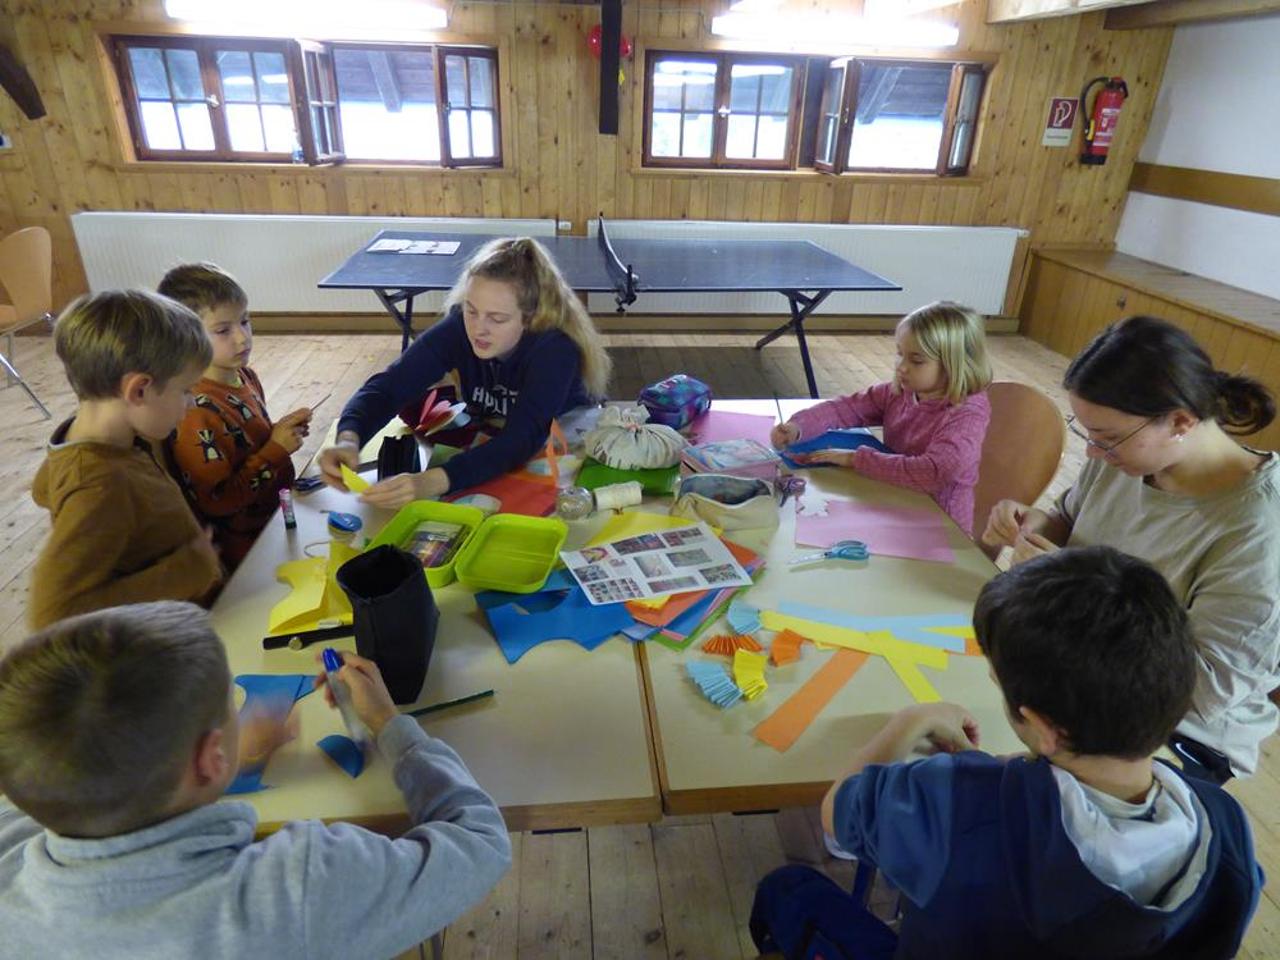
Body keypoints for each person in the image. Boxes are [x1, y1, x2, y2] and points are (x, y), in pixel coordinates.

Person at [750, 547, 1263, 960]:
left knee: (787, 890)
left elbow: (836, 813)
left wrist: (908, 721)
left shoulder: (957, 801)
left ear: (1043, 729)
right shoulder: (1226, 825)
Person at [0, 602, 512, 959]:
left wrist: (200, 761)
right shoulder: (297, 890)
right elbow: (481, 844)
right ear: (210, 757)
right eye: (233, 702)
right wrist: (389, 723)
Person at [982, 315, 1279, 781]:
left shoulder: (1258, 527)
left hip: (1172, 734)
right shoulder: (1126, 458)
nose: (1093, 453)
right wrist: (1033, 524)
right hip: (1076, 671)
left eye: (1106, 439)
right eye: (1088, 435)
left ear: (1180, 421)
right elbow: (1068, 522)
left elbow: (1204, 689)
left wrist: (1072, 595)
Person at [317, 237, 612, 507]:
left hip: (565, 440)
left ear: (530, 318)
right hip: (499, 436)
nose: (478, 329)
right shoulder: (460, 327)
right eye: (471, 310)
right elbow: (388, 388)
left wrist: (430, 482)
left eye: (497, 318)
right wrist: (348, 439)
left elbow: (522, 438)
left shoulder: (555, 349)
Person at [28, 290, 222, 630]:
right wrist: (189, 570)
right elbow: (53, 616)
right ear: (139, 391)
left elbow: (45, 487)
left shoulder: (96, 437)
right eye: (186, 390)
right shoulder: (99, 483)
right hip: (171, 637)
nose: (191, 403)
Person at [770, 301, 993, 532]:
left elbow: (933, 472)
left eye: (916, 360)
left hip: (940, 527)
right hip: (895, 502)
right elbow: (845, 408)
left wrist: (855, 459)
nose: (901, 367)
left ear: (954, 365)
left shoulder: (967, 414)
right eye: (900, 354)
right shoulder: (902, 391)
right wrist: (798, 426)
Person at [159, 263, 311, 572]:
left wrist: (279, 432)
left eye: (245, 321)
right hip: (246, 549)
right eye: (223, 330)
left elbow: (247, 443)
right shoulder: (194, 410)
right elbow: (218, 500)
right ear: (184, 337)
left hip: (276, 517)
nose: (243, 338)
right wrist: (276, 450)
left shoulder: (244, 375)